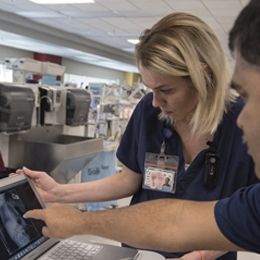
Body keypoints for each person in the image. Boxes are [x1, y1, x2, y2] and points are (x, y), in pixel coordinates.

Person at [22, 0, 260, 255]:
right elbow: (128, 180)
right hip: (142, 248)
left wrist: (203, 254)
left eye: (166, 90)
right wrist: (59, 192)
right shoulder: (149, 110)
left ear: (204, 76)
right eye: (151, 90)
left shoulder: (245, 124)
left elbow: (243, 217)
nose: (157, 102)